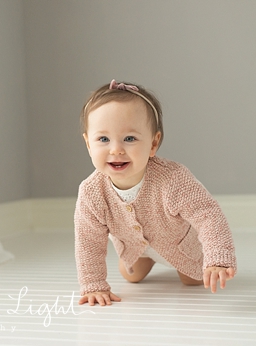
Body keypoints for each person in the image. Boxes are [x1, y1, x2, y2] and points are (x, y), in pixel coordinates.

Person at [75, 79, 237, 306]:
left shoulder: (172, 179)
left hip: (181, 247)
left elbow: (208, 214)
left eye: (129, 139)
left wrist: (217, 257)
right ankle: (146, 258)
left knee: (193, 279)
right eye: (103, 139)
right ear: (89, 144)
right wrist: (93, 284)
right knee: (130, 275)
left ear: (153, 143)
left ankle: (188, 264)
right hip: (134, 248)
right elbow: (88, 241)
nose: (116, 149)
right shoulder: (91, 192)